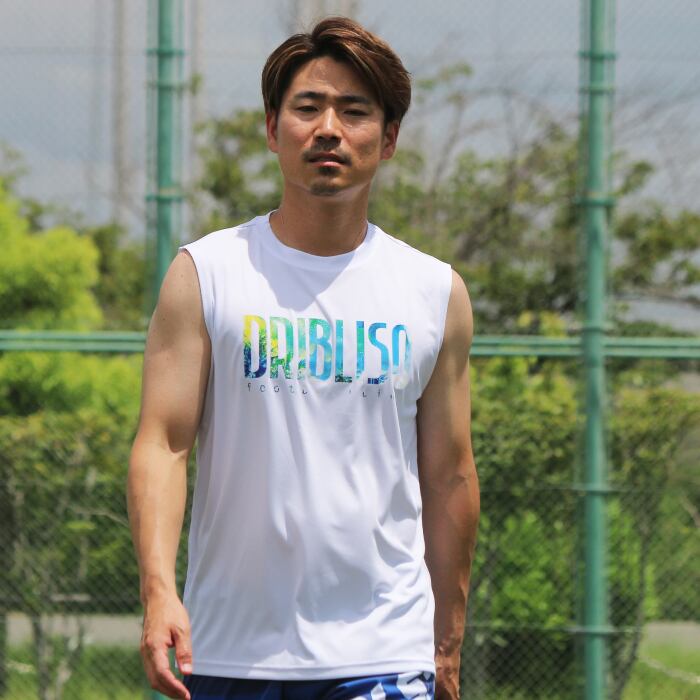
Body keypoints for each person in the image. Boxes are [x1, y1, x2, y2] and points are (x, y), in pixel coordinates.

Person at [128, 16, 479, 700]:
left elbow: (449, 476)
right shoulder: (206, 273)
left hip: (384, 650)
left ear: (389, 139)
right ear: (272, 129)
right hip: (227, 651)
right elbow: (162, 445)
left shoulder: (435, 291)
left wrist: (447, 639)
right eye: (308, 107)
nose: (328, 129)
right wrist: (158, 591)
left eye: (355, 111)